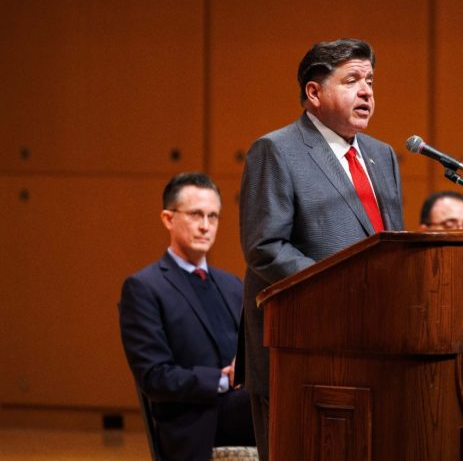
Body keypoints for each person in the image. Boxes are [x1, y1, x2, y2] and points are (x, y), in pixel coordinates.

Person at [239, 38, 404, 460]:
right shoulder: (277, 150)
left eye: (370, 81)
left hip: (375, 347)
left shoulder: (382, 155)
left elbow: (391, 245)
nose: (367, 91)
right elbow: (266, 247)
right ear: (314, 93)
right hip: (301, 350)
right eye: (352, 80)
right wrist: (341, 290)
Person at [119, 173, 254, 461]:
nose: (206, 226)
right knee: (279, 407)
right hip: (194, 419)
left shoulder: (232, 285)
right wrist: (221, 380)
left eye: (213, 216)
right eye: (196, 215)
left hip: (242, 406)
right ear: (168, 218)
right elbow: (154, 376)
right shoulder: (144, 287)